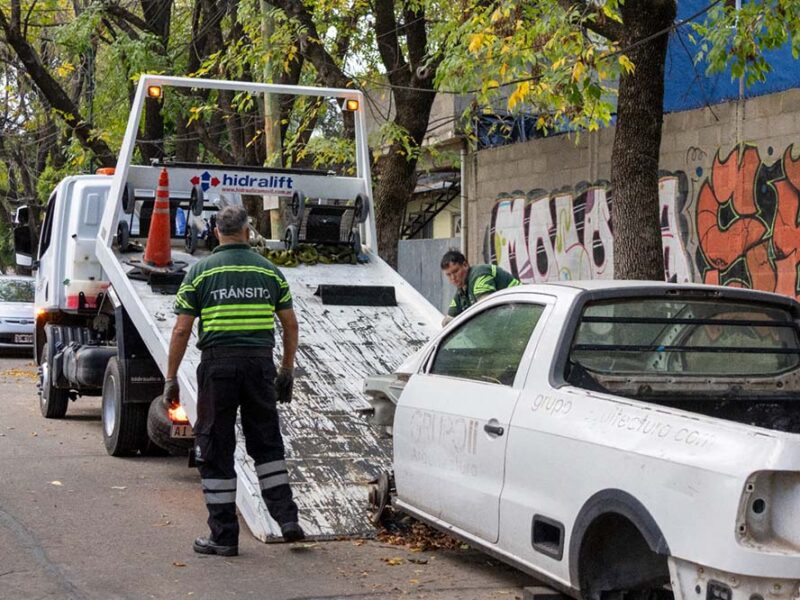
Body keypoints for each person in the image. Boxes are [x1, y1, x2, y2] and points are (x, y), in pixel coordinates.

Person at [164, 204, 304, 557]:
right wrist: (286, 370)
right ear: (247, 231)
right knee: (267, 443)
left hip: (218, 368)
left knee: (215, 447)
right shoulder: (270, 272)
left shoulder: (199, 273)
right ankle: (287, 519)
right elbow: (290, 325)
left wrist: (170, 378)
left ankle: (224, 536)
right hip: (260, 366)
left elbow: (182, 329)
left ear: (216, 233)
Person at [441, 249, 520, 325]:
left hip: (521, 309)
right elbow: (447, 322)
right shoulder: (462, 290)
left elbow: (486, 309)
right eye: (448, 275)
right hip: (512, 315)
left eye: (455, 271)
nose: (453, 277)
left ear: (465, 265)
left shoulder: (479, 274)